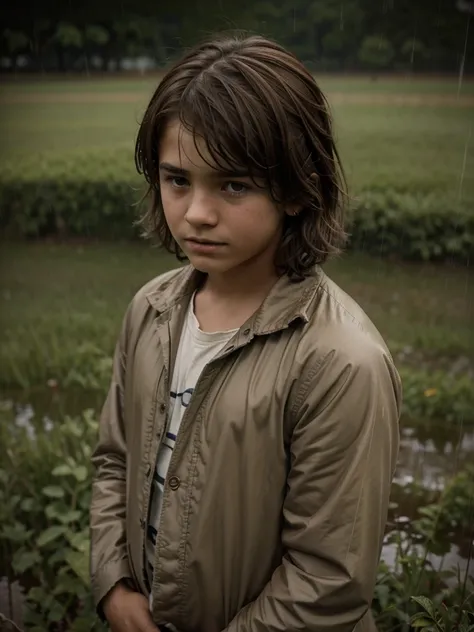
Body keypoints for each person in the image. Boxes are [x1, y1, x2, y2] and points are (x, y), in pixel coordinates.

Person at [89, 33, 402, 632]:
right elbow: (115, 462)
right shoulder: (149, 312)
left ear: (295, 186)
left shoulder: (341, 363)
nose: (197, 212)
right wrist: (115, 584)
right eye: (177, 179)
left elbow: (328, 579)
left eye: (233, 185)